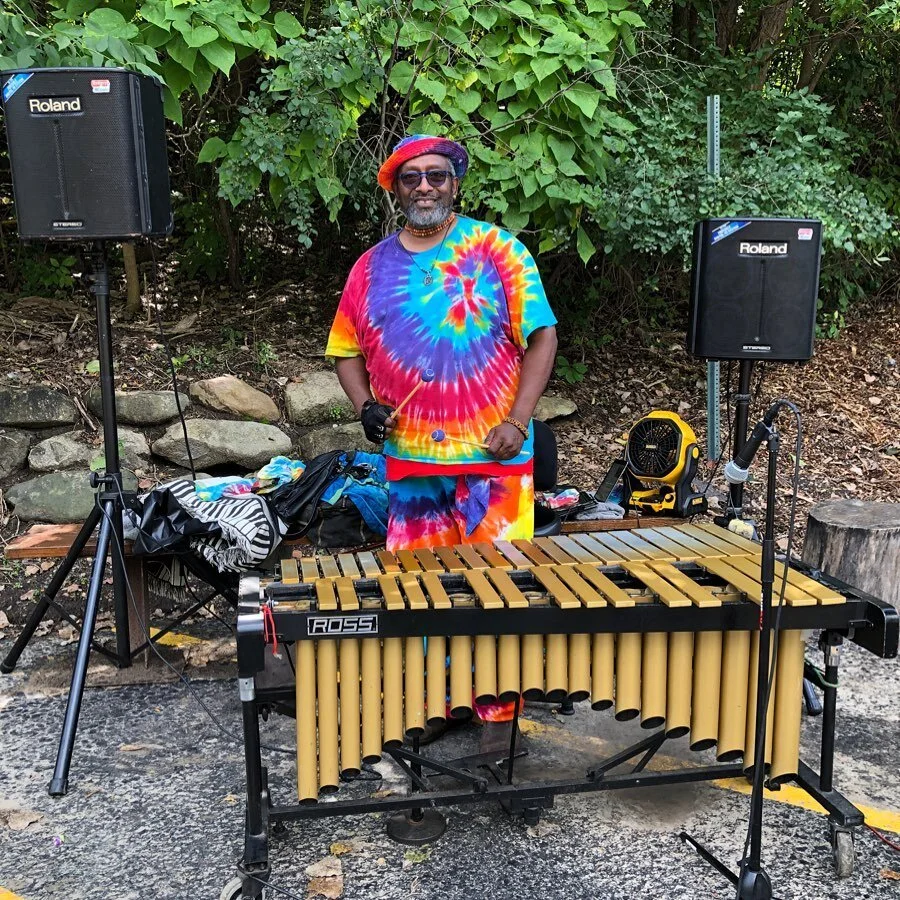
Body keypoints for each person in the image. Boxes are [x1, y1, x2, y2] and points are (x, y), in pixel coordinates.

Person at [325, 135, 557, 733]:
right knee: (418, 592)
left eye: (436, 175)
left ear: (455, 183)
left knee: (498, 592)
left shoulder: (497, 249)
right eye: (411, 178)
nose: (424, 186)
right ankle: (432, 704)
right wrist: (364, 407)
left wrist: (517, 421)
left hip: (494, 456)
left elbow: (542, 338)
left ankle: (498, 717)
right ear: (396, 189)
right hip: (412, 461)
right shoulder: (370, 267)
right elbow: (345, 350)